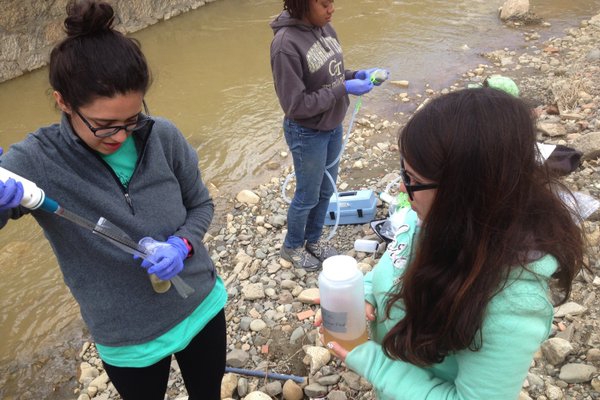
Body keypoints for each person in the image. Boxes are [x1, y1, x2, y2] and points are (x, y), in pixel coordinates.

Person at [0, 1, 226, 399]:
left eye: (132, 119)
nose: (121, 136)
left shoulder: (163, 136)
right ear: (63, 102)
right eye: (104, 126)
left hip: (201, 307)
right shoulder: (35, 160)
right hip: (129, 338)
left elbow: (201, 206)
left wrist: (182, 244)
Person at [325, 88, 584, 399]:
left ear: (463, 193)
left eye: (411, 180)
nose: (402, 192)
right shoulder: (424, 219)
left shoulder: (513, 306)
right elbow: (395, 264)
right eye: (403, 173)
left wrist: (374, 364)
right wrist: (364, 294)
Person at [270, 0, 385, 271]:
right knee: (307, 194)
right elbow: (295, 106)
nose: (331, 9)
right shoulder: (285, 46)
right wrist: (343, 89)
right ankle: (293, 246)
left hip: (332, 124)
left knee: (326, 190)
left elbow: (331, 75)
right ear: (302, 4)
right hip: (307, 131)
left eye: (332, 2)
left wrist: (358, 75)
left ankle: (314, 239)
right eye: (324, 4)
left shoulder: (325, 28)